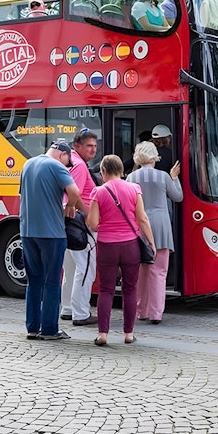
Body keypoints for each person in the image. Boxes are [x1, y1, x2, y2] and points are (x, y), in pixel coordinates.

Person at [19, 140, 85, 341]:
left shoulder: (27, 164)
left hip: (27, 232)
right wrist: (70, 206)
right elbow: (74, 192)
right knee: (52, 281)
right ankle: (49, 329)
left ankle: (32, 327)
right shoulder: (56, 165)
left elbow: (22, 195)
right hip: (52, 234)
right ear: (62, 154)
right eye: (68, 162)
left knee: (34, 281)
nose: (67, 166)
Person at [86, 155, 155, 346]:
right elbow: (142, 218)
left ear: (104, 172)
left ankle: (103, 334)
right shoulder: (134, 189)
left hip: (107, 246)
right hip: (130, 246)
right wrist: (151, 242)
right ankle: (128, 334)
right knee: (130, 289)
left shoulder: (98, 192)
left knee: (106, 289)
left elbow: (92, 223)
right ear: (121, 171)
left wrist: (105, 226)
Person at [126, 142, 182, 325]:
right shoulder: (164, 177)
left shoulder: (131, 178)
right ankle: (156, 313)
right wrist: (174, 178)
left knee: (141, 271)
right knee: (159, 272)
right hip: (161, 226)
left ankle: (141, 310)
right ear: (154, 156)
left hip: (140, 225)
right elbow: (178, 197)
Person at [61, 128, 100, 326]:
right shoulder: (79, 166)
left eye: (95, 145)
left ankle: (68, 308)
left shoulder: (72, 162)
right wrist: (87, 216)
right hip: (79, 223)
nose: (93, 150)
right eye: (89, 146)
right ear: (77, 146)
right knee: (85, 268)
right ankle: (81, 312)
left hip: (69, 221)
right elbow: (73, 194)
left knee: (70, 267)